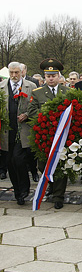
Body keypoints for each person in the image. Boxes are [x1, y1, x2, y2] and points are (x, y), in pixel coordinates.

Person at [27, 58, 71, 209]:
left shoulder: (68, 92)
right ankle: (51, 184)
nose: (51, 78)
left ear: (59, 76)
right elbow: (31, 111)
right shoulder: (37, 93)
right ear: (44, 77)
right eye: (48, 76)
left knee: (61, 164)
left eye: (53, 75)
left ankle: (59, 196)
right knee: (43, 165)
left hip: (62, 136)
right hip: (44, 135)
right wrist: (48, 115)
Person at [0, 62, 37, 205]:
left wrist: (27, 114)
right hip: (7, 131)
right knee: (10, 162)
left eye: (17, 72)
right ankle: (17, 192)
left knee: (19, 160)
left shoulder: (31, 86)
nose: (14, 76)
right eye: (11, 73)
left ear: (22, 72)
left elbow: (35, 106)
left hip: (23, 130)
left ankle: (24, 188)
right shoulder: (2, 87)